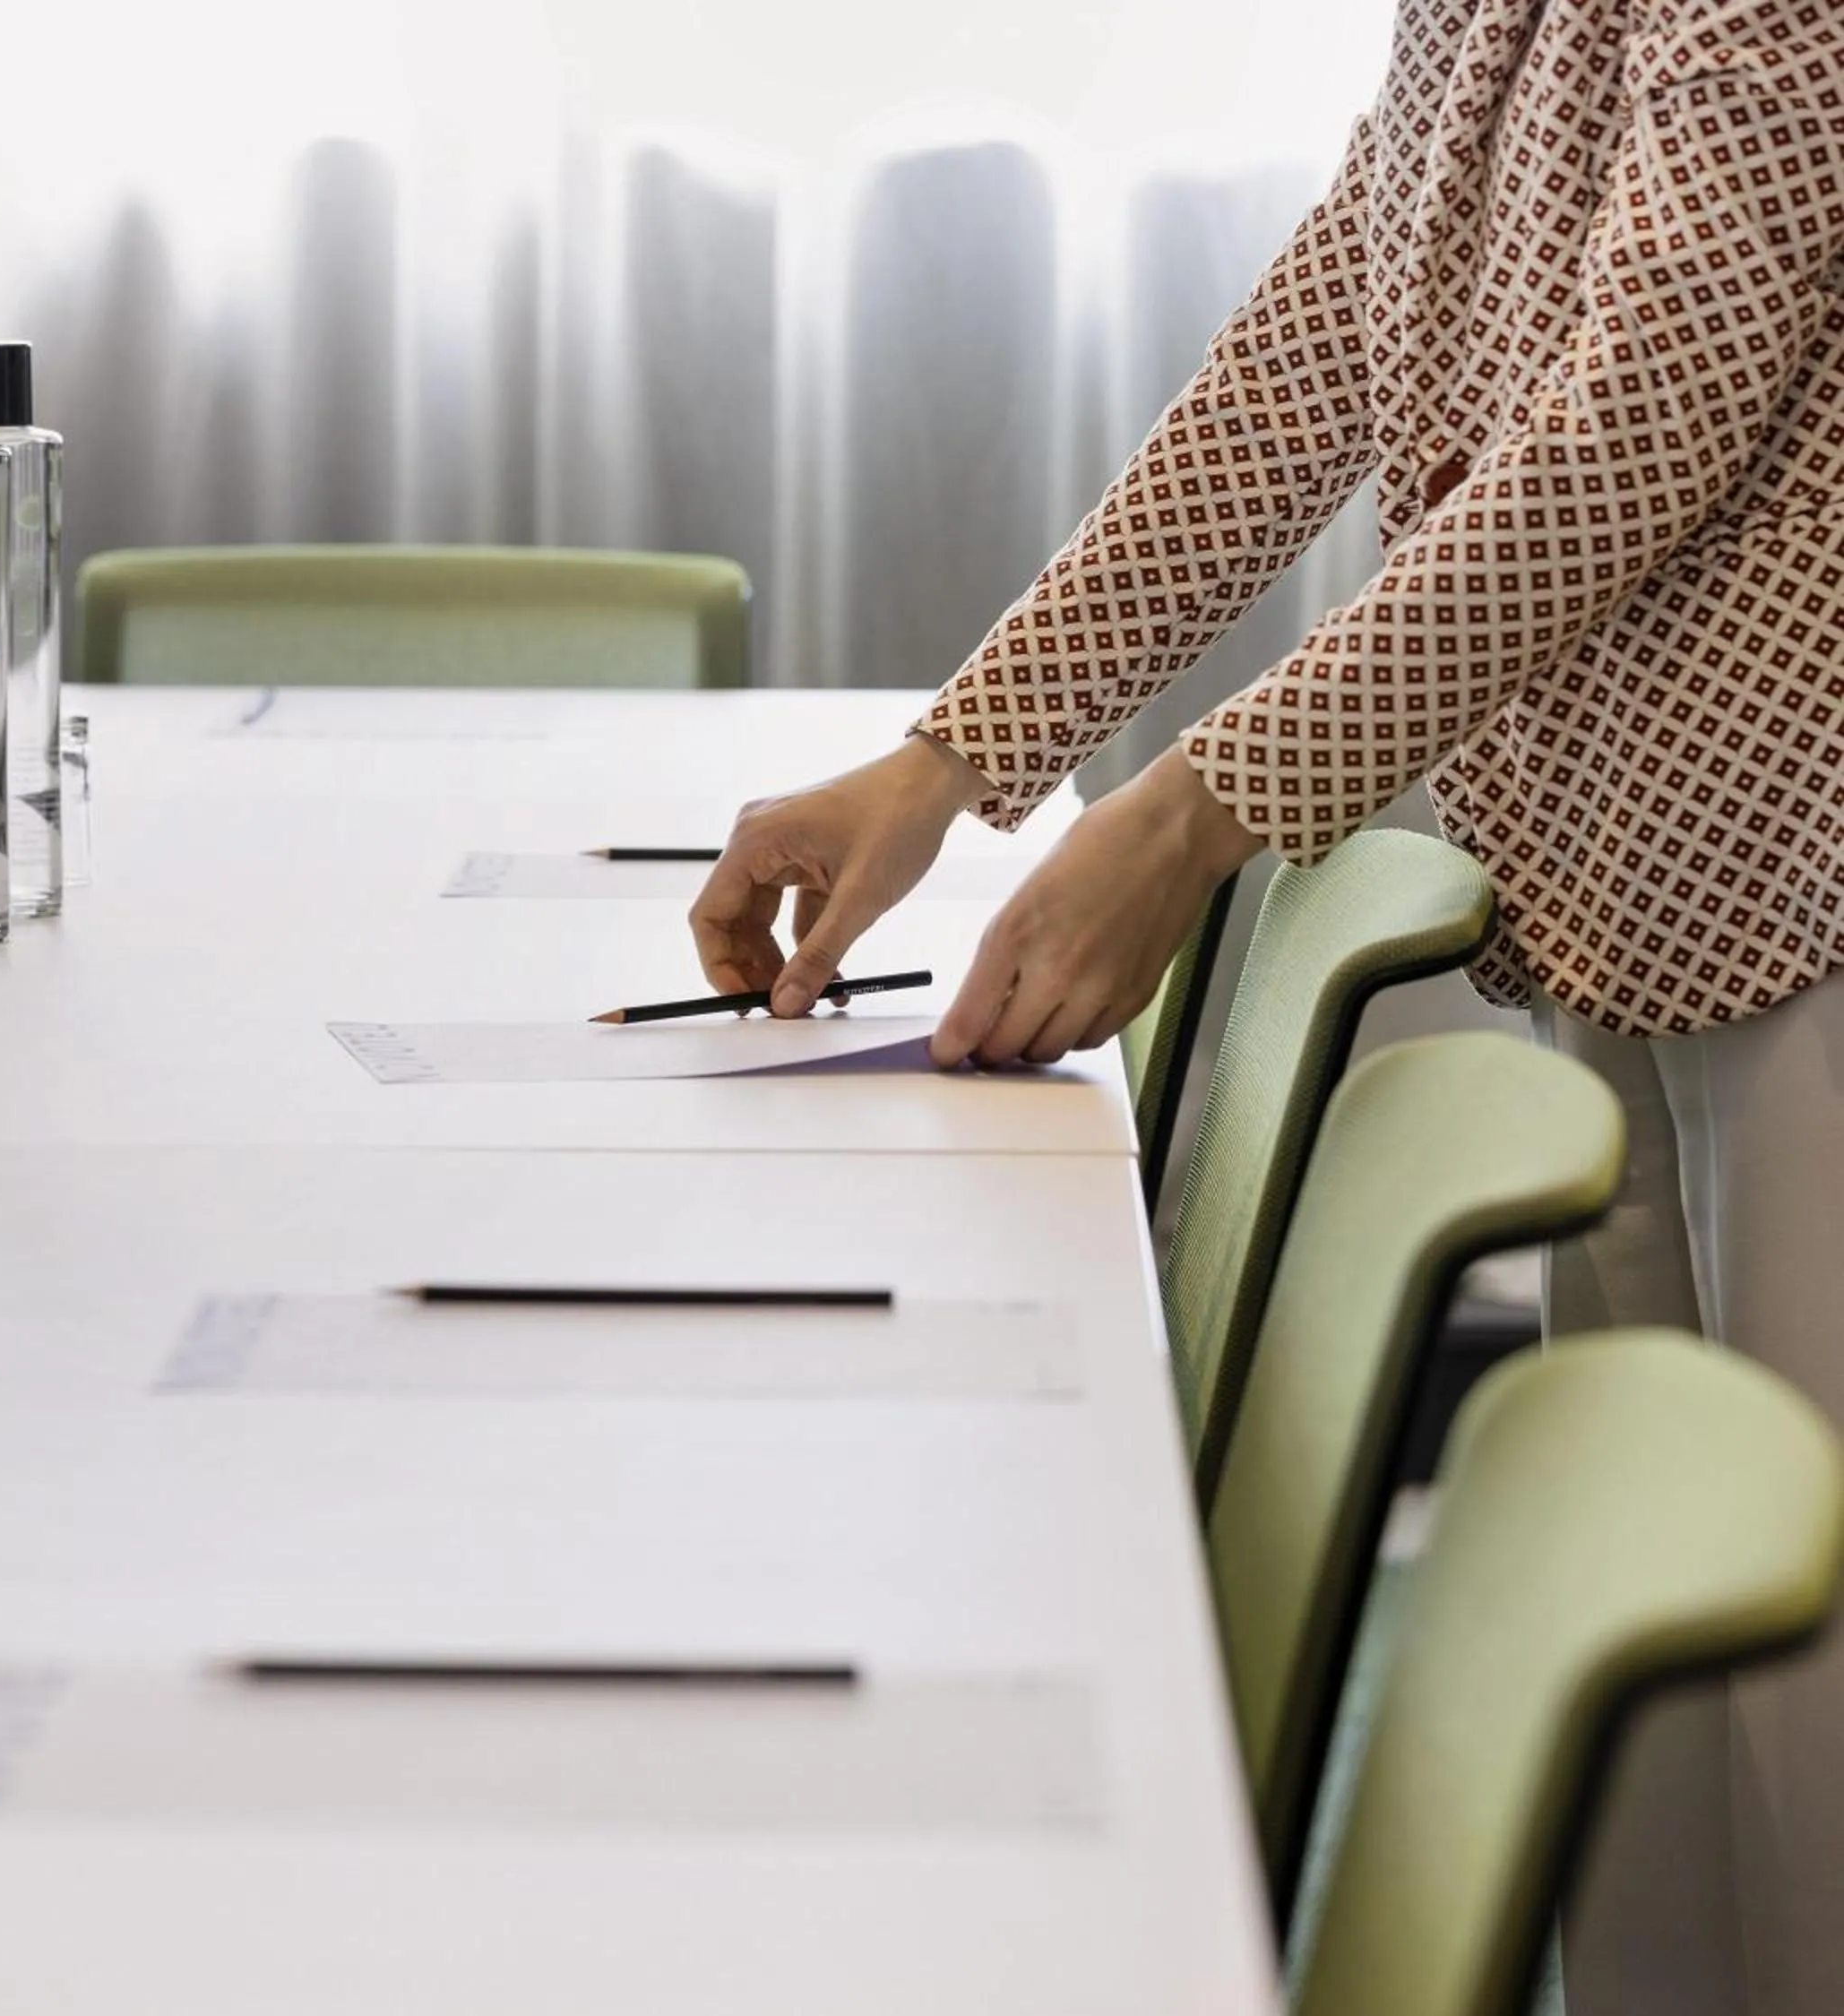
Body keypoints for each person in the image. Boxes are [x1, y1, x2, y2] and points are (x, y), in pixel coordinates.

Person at [690, 4, 1844, 2012]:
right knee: (1661, 1680)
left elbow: (1649, 412)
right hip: (1619, 840)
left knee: (1808, 1691)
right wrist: (959, 753)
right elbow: (1333, 335)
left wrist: (1198, 808)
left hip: (1801, 834)